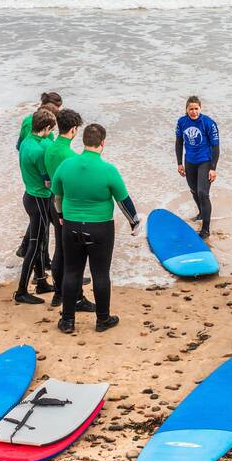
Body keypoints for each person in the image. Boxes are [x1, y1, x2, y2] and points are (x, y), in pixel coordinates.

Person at [51, 123, 141, 333]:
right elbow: (124, 202)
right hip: (100, 228)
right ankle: (102, 320)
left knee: (72, 272)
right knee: (100, 273)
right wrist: (134, 223)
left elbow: (57, 196)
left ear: (84, 142)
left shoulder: (66, 165)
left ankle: (67, 321)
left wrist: (62, 216)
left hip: (71, 226)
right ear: (103, 143)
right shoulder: (108, 170)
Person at [15, 108, 56, 305]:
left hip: (30, 195)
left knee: (38, 242)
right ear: (46, 128)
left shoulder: (26, 143)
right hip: (39, 198)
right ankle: (21, 291)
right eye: (51, 129)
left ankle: (41, 282)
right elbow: (48, 181)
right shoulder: (39, 151)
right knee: (34, 246)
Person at [43, 108, 83, 307]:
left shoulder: (50, 147)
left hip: (52, 200)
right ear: (74, 129)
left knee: (59, 248)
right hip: (66, 205)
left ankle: (58, 293)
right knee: (72, 253)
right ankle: (75, 296)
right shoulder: (70, 155)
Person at [175, 96, 220, 239]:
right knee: (194, 190)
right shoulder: (182, 122)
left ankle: (206, 229)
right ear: (186, 110)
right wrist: (179, 163)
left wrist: (213, 168)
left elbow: (215, 146)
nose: (194, 111)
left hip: (205, 161)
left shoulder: (208, 123)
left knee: (203, 193)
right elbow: (179, 143)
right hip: (189, 162)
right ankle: (201, 213)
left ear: (200, 108)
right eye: (191, 109)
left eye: (196, 108)